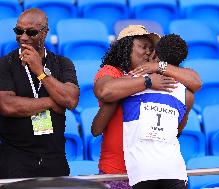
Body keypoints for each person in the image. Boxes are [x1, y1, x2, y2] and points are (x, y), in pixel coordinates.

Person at [92, 25, 201, 188]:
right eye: (143, 47)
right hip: (117, 171)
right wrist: (147, 82)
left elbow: (196, 82)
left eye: (151, 48)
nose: (148, 52)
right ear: (125, 47)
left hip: (151, 172)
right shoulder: (112, 71)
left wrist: (158, 67)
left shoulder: (158, 75)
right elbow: (105, 91)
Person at [0, 8, 79, 178]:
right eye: (18, 31)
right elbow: (7, 105)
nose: (23, 37)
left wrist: (40, 71)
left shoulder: (63, 63)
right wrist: (52, 102)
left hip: (55, 159)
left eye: (31, 32)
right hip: (15, 159)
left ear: (45, 33)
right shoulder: (5, 64)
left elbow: (70, 100)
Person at [122, 33, 193, 189]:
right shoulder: (186, 93)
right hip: (175, 171)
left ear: (155, 54)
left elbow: (105, 91)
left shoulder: (132, 81)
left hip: (142, 172)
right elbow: (177, 131)